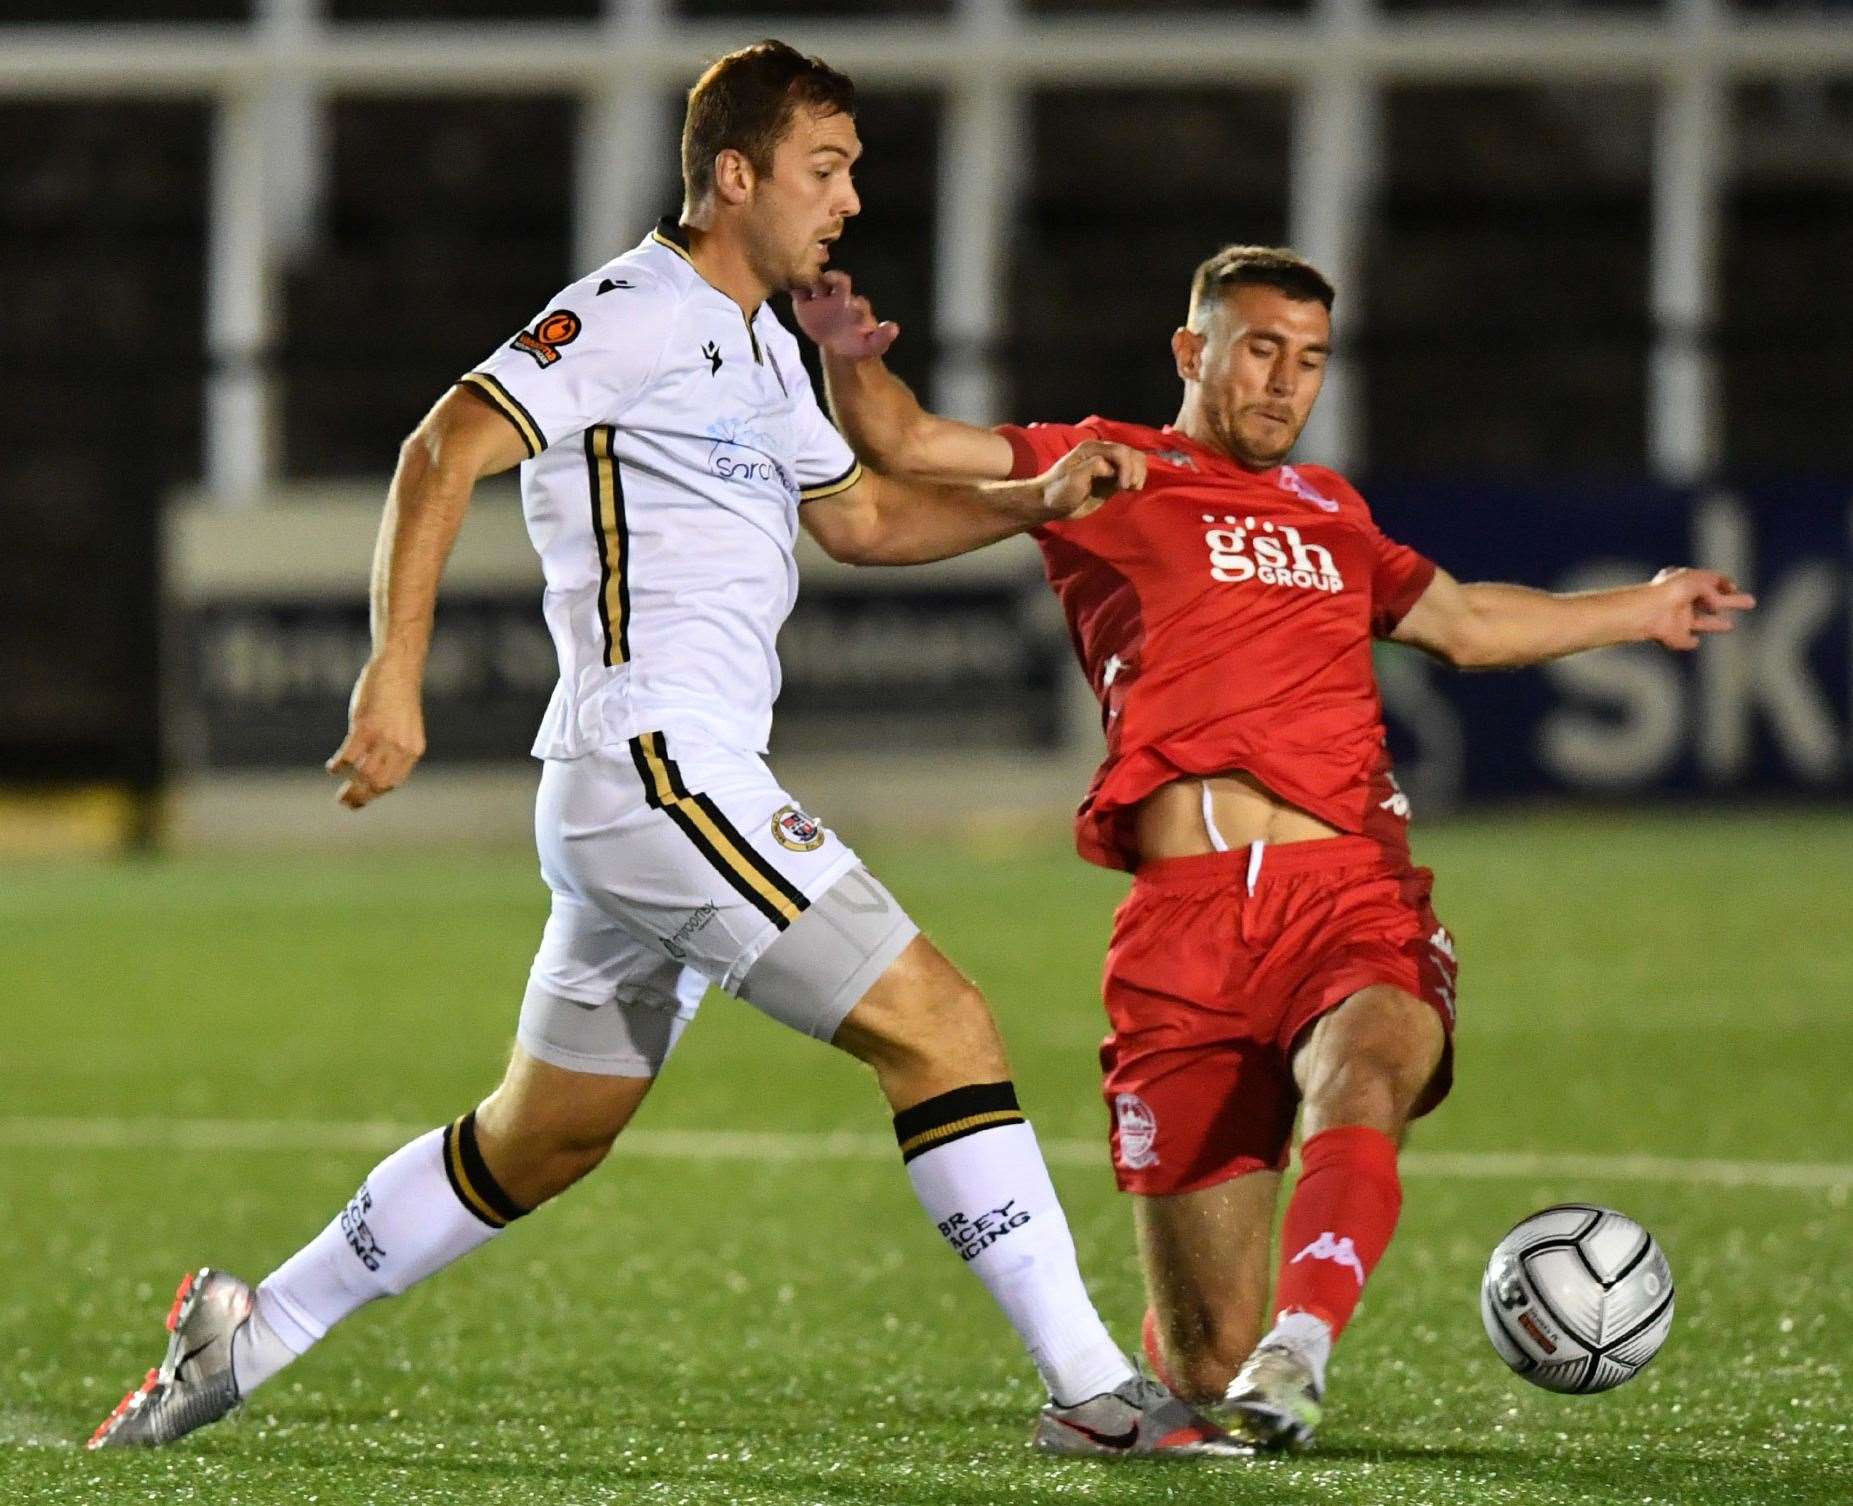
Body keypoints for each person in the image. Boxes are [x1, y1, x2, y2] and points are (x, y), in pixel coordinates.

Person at [88, 41, 1244, 1460]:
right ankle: (1092, 1388)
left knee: (541, 1138)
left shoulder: (764, 343)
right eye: (828, 169)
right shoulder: (634, 307)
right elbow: (441, 446)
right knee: (941, 1025)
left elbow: (864, 523)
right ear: (737, 174)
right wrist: (393, 675)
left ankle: (248, 1326)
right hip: (655, 765)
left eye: (857, 173)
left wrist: (1039, 500)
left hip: (655, 786)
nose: (850, 201)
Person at [791, 245, 1754, 1447]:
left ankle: (1302, 1348)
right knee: (1201, 1355)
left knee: (1362, 1065)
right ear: (1193, 353)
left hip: (1343, 886)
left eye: (1308, 361)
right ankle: (1246, 1351)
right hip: (1179, 931)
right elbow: (913, 444)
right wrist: (842, 358)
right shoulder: (1108, 466)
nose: (1285, 382)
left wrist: (1645, 605)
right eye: (1260, 350)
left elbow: (1459, 623)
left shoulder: (1330, 513)